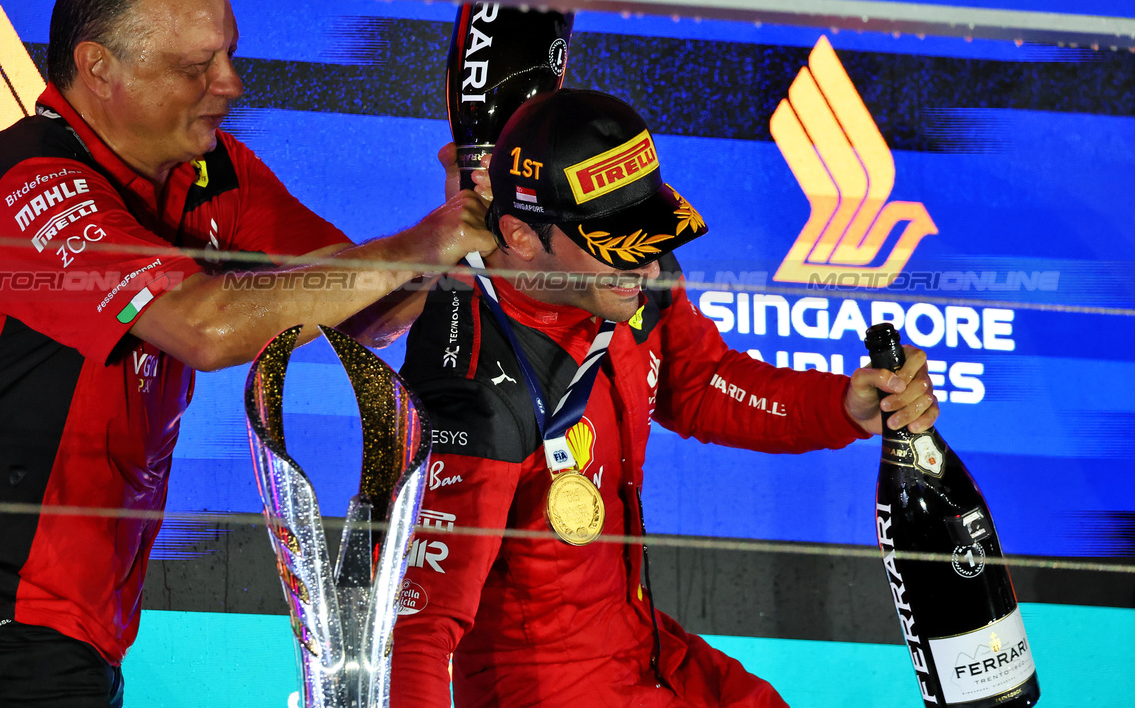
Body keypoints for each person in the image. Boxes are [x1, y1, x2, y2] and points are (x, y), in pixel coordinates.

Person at [0, 0, 495, 707]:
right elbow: (203, 328)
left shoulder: (214, 172)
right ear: (98, 68)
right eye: (195, 67)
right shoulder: (29, 176)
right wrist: (420, 246)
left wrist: (459, 219)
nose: (231, 84)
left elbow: (367, 310)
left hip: (73, 622)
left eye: (229, 56)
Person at [389, 89, 939, 708]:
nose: (649, 267)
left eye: (647, 233)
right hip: (547, 691)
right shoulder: (474, 392)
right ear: (519, 235)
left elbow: (700, 384)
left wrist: (843, 407)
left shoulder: (631, 282)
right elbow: (417, 630)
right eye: (616, 243)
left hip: (644, 647)